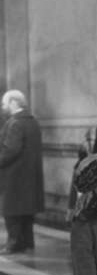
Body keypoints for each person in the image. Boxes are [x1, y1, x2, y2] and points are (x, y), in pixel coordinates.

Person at [0, 90, 44, 254]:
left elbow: (11, 150)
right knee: (26, 212)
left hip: (14, 176)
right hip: (29, 176)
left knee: (11, 211)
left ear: (13, 102)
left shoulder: (15, 123)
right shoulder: (33, 121)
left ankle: (14, 243)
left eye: (4, 103)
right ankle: (27, 242)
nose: (3, 107)